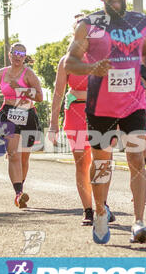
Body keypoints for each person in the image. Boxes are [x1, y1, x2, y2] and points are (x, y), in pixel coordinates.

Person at [65, 0, 146, 244]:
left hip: (133, 104)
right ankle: (99, 211)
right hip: (100, 107)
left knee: (137, 161)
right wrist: (91, 68)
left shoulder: (139, 21)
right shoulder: (89, 24)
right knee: (102, 165)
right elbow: (70, 63)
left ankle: (139, 223)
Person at [49, 52, 115, 226]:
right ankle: (87, 210)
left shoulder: (106, 56)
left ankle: (103, 205)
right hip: (76, 114)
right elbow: (58, 93)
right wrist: (53, 124)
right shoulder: (67, 60)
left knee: (104, 161)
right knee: (82, 163)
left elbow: (114, 89)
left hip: (103, 112)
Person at [0, 43, 44, 209]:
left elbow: (40, 96)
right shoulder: (2, 72)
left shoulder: (29, 74)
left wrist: (20, 88)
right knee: (13, 154)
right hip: (9, 113)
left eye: (22, 53)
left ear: (25, 56)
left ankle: (20, 188)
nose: (18, 56)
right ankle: (18, 193)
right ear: (10, 54)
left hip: (27, 114)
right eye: (16, 53)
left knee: (24, 157)